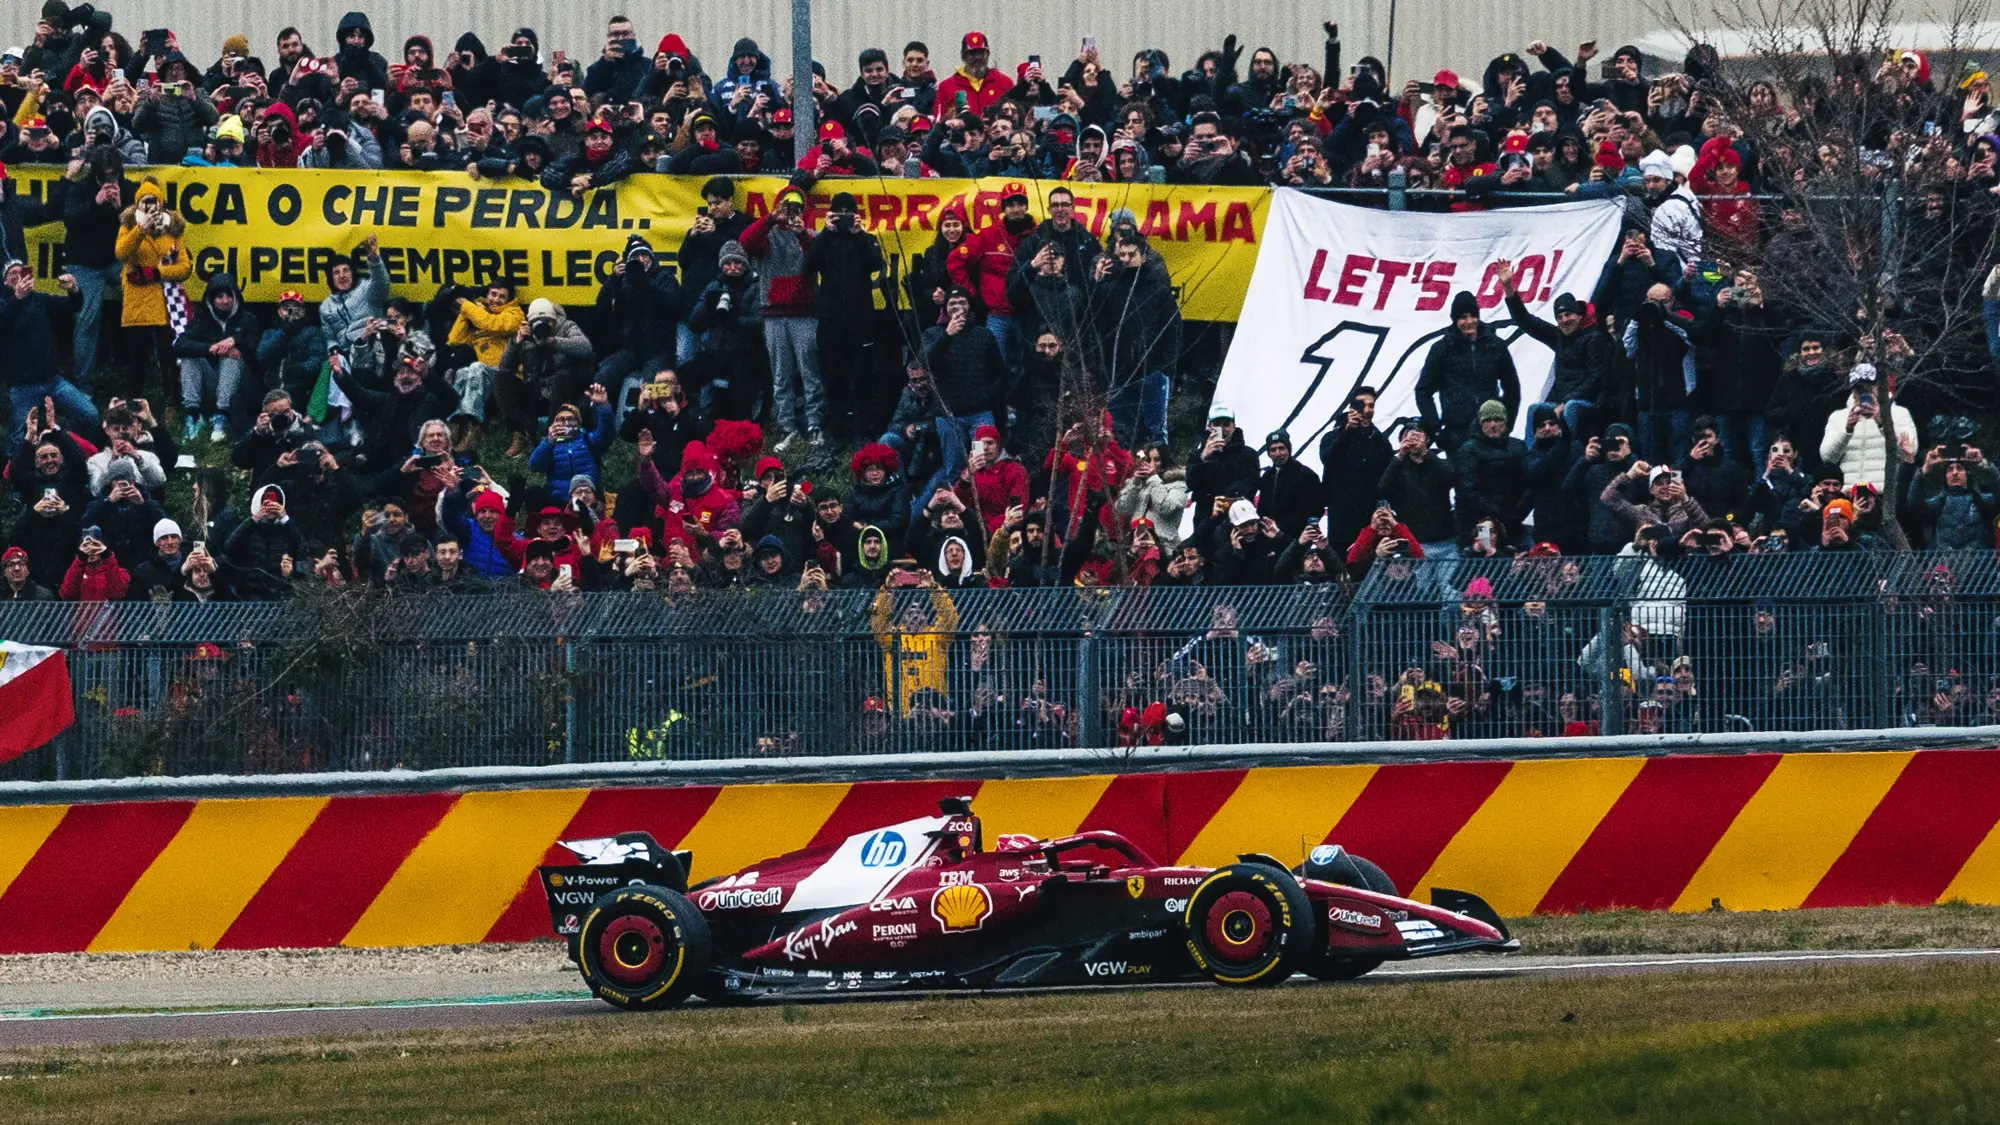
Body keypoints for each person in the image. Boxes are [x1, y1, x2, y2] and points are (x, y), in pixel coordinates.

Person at [740, 186, 823, 449]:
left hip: (805, 313)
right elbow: (745, 242)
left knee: (810, 371)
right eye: (787, 207)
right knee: (781, 374)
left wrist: (802, 236)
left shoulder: (810, 236)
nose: (792, 213)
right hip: (774, 314)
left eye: (797, 208)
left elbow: (819, 259)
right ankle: (786, 426)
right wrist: (769, 220)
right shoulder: (767, 236)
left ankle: (814, 424)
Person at [1498, 261, 1607, 436]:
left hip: (1587, 402)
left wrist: (1567, 401)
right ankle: (1531, 457)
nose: (1564, 320)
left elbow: (1596, 378)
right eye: (1559, 316)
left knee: (1571, 408)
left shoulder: (1595, 338)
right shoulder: (1558, 336)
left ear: (1579, 316)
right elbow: (1527, 321)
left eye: (1568, 314)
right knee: (1535, 409)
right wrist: (1509, 289)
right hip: (1560, 400)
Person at [113, 176, 191, 403]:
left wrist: (157, 273)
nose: (149, 206)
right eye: (144, 201)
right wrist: (141, 229)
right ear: (137, 204)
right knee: (137, 360)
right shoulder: (128, 225)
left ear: (161, 202)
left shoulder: (173, 228)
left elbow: (185, 268)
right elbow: (121, 253)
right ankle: (133, 406)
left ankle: (172, 405)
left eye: (153, 201)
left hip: (167, 305)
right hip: (138, 305)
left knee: (168, 359)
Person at [1416, 291, 1519, 451]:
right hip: (1456, 433)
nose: (1469, 322)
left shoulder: (1495, 345)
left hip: (1491, 428)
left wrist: (1507, 424)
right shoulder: (1442, 349)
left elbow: (1512, 387)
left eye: (1472, 316)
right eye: (1463, 317)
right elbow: (1423, 391)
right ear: (1455, 320)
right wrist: (1436, 430)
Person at [0, 262, 98, 430]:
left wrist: (74, 290)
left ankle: (63, 442)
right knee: (19, 438)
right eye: (12, 274)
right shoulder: (4, 304)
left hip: (53, 381)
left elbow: (73, 306)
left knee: (90, 415)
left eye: (22, 272)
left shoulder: (39, 299)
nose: (18, 276)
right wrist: (17, 298)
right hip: (22, 387)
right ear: (5, 282)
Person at [171, 271, 258, 443]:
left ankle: (221, 415)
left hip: (240, 383)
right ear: (211, 299)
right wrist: (211, 348)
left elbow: (253, 344)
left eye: (229, 296)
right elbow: (180, 345)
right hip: (211, 378)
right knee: (189, 358)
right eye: (220, 296)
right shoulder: (202, 319)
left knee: (232, 357)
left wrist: (234, 341)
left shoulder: (247, 318)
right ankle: (193, 415)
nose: (225, 301)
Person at [1818, 363, 1916, 492]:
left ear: (1880, 386)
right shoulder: (1838, 417)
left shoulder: (1899, 413)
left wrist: (1883, 423)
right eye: (1859, 387)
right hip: (1848, 493)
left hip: (1884, 494)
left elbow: (1909, 452)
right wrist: (1847, 431)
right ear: (1853, 390)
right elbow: (1828, 458)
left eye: (1870, 386)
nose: (1865, 391)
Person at [1318, 388, 1393, 551]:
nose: (1367, 410)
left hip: (1369, 518)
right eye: (1362, 405)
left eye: (1371, 406)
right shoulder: (1332, 436)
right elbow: (1328, 459)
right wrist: (1348, 432)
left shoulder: (1380, 441)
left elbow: (1387, 479)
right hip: (1341, 519)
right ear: (1351, 408)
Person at [1186, 402, 1260, 522]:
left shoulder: (1248, 454)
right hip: (1206, 516)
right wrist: (1203, 458)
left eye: (1226, 424)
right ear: (1209, 427)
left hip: (1238, 517)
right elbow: (1191, 484)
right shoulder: (1197, 455)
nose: (1222, 429)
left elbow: (1252, 483)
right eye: (1217, 424)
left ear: (1233, 427)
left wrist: (1227, 497)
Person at [1255, 429, 1323, 541]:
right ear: (1268, 453)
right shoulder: (1267, 477)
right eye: (1273, 450)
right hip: (1269, 537)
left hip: (1297, 539)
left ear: (1289, 449)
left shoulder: (1306, 475)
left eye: (1281, 448)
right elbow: (1262, 508)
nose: (1278, 453)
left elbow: (1316, 510)